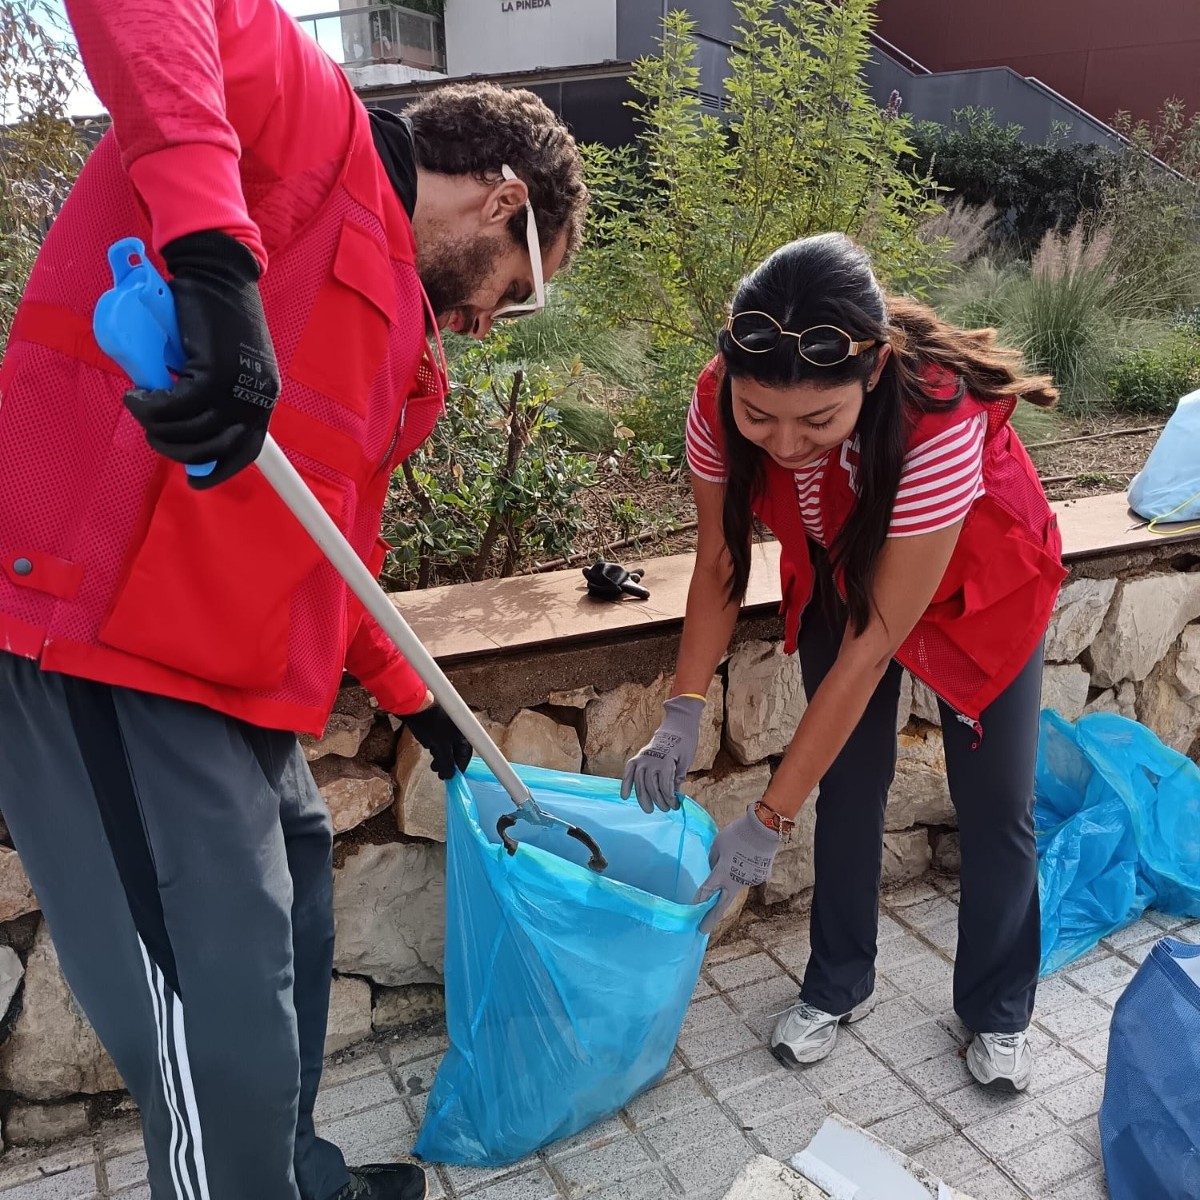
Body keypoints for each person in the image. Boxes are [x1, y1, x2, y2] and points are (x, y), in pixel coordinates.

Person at [0, 0, 587, 1196]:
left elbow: (331, 548)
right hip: (104, 653)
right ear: (502, 202)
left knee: (297, 929)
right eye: (512, 293)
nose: (487, 323)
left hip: (238, 682)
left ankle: (295, 1174)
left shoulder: (398, 357)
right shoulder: (307, 132)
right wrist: (215, 262)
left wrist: (414, 699)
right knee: (219, 1037)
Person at [623, 234, 1065, 1093]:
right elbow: (718, 564)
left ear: (872, 373)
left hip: (979, 591)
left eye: (817, 421)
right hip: (839, 571)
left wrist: (767, 817)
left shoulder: (940, 420)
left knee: (998, 805)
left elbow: (873, 649)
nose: (785, 444)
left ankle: (998, 1009)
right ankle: (837, 984)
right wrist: (681, 712)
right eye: (762, 418)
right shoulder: (717, 396)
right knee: (849, 785)